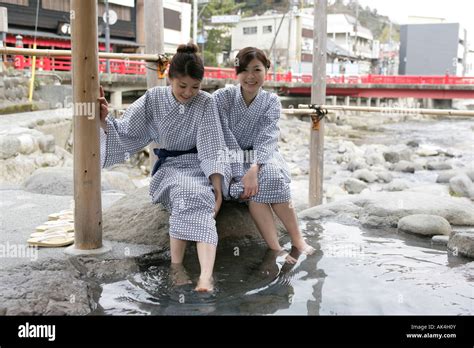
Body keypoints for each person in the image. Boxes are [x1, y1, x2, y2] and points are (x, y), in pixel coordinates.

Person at [99, 43, 229, 292]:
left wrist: (218, 188)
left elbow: (212, 147)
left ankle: (205, 276)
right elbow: (127, 130)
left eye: (195, 87)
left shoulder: (206, 102)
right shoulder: (153, 98)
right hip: (169, 166)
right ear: (170, 77)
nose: (189, 92)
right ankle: (177, 266)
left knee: (203, 196)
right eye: (182, 86)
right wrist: (105, 120)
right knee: (182, 192)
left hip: (199, 166)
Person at [212, 47, 314, 262]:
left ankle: (298, 240)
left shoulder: (271, 102)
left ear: (267, 70)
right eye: (245, 70)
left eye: (257, 69)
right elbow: (219, 137)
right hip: (229, 156)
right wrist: (243, 167)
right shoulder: (222, 98)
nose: (251, 77)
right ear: (237, 72)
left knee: (272, 177)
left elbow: (268, 138)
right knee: (255, 186)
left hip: (262, 155)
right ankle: (276, 248)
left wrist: (254, 167)